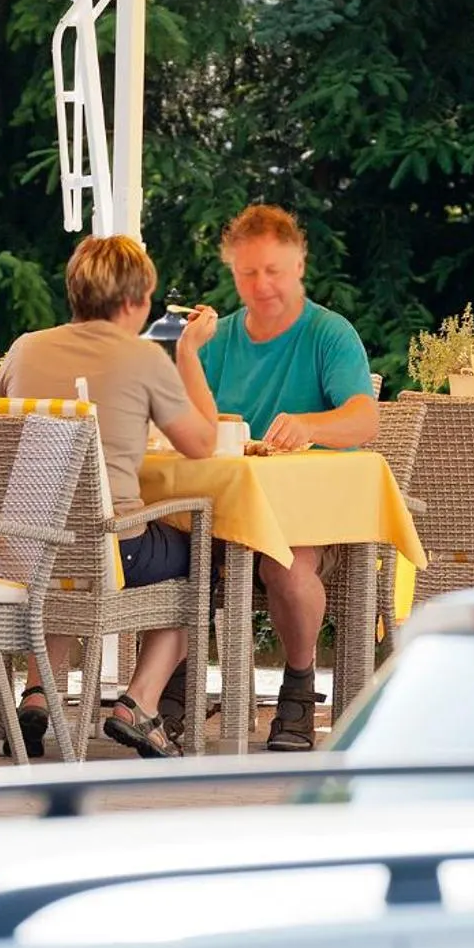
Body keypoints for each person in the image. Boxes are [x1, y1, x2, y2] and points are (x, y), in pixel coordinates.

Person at [0, 236, 217, 758]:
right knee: (203, 560)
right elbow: (202, 444)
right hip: (115, 547)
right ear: (136, 301)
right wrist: (187, 351)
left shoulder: (26, 346)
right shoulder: (143, 357)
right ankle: (138, 702)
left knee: (65, 549)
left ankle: (39, 692)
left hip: (25, 545)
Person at [176, 204, 377, 752]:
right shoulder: (216, 339)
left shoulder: (328, 334)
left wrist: (311, 425)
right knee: (164, 546)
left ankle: (299, 684)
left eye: (273, 271)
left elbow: (365, 418)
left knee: (284, 567)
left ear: (299, 266)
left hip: (306, 512)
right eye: (248, 273)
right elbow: (197, 425)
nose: (261, 285)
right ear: (231, 271)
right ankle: (171, 688)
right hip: (222, 505)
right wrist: (188, 356)